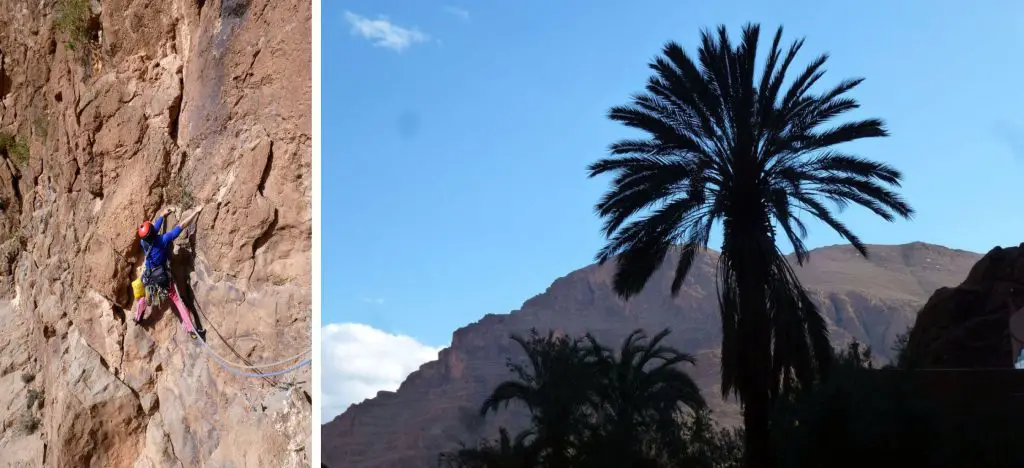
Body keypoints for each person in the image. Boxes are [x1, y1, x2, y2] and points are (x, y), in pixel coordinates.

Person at [134, 205, 204, 337]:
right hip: (162, 276)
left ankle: (138, 317)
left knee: (143, 295)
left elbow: (153, 229)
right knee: (177, 301)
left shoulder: (144, 242)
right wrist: (195, 212)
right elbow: (181, 226)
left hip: (148, 275)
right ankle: (190, 329)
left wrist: (162, 215)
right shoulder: (163, 240)